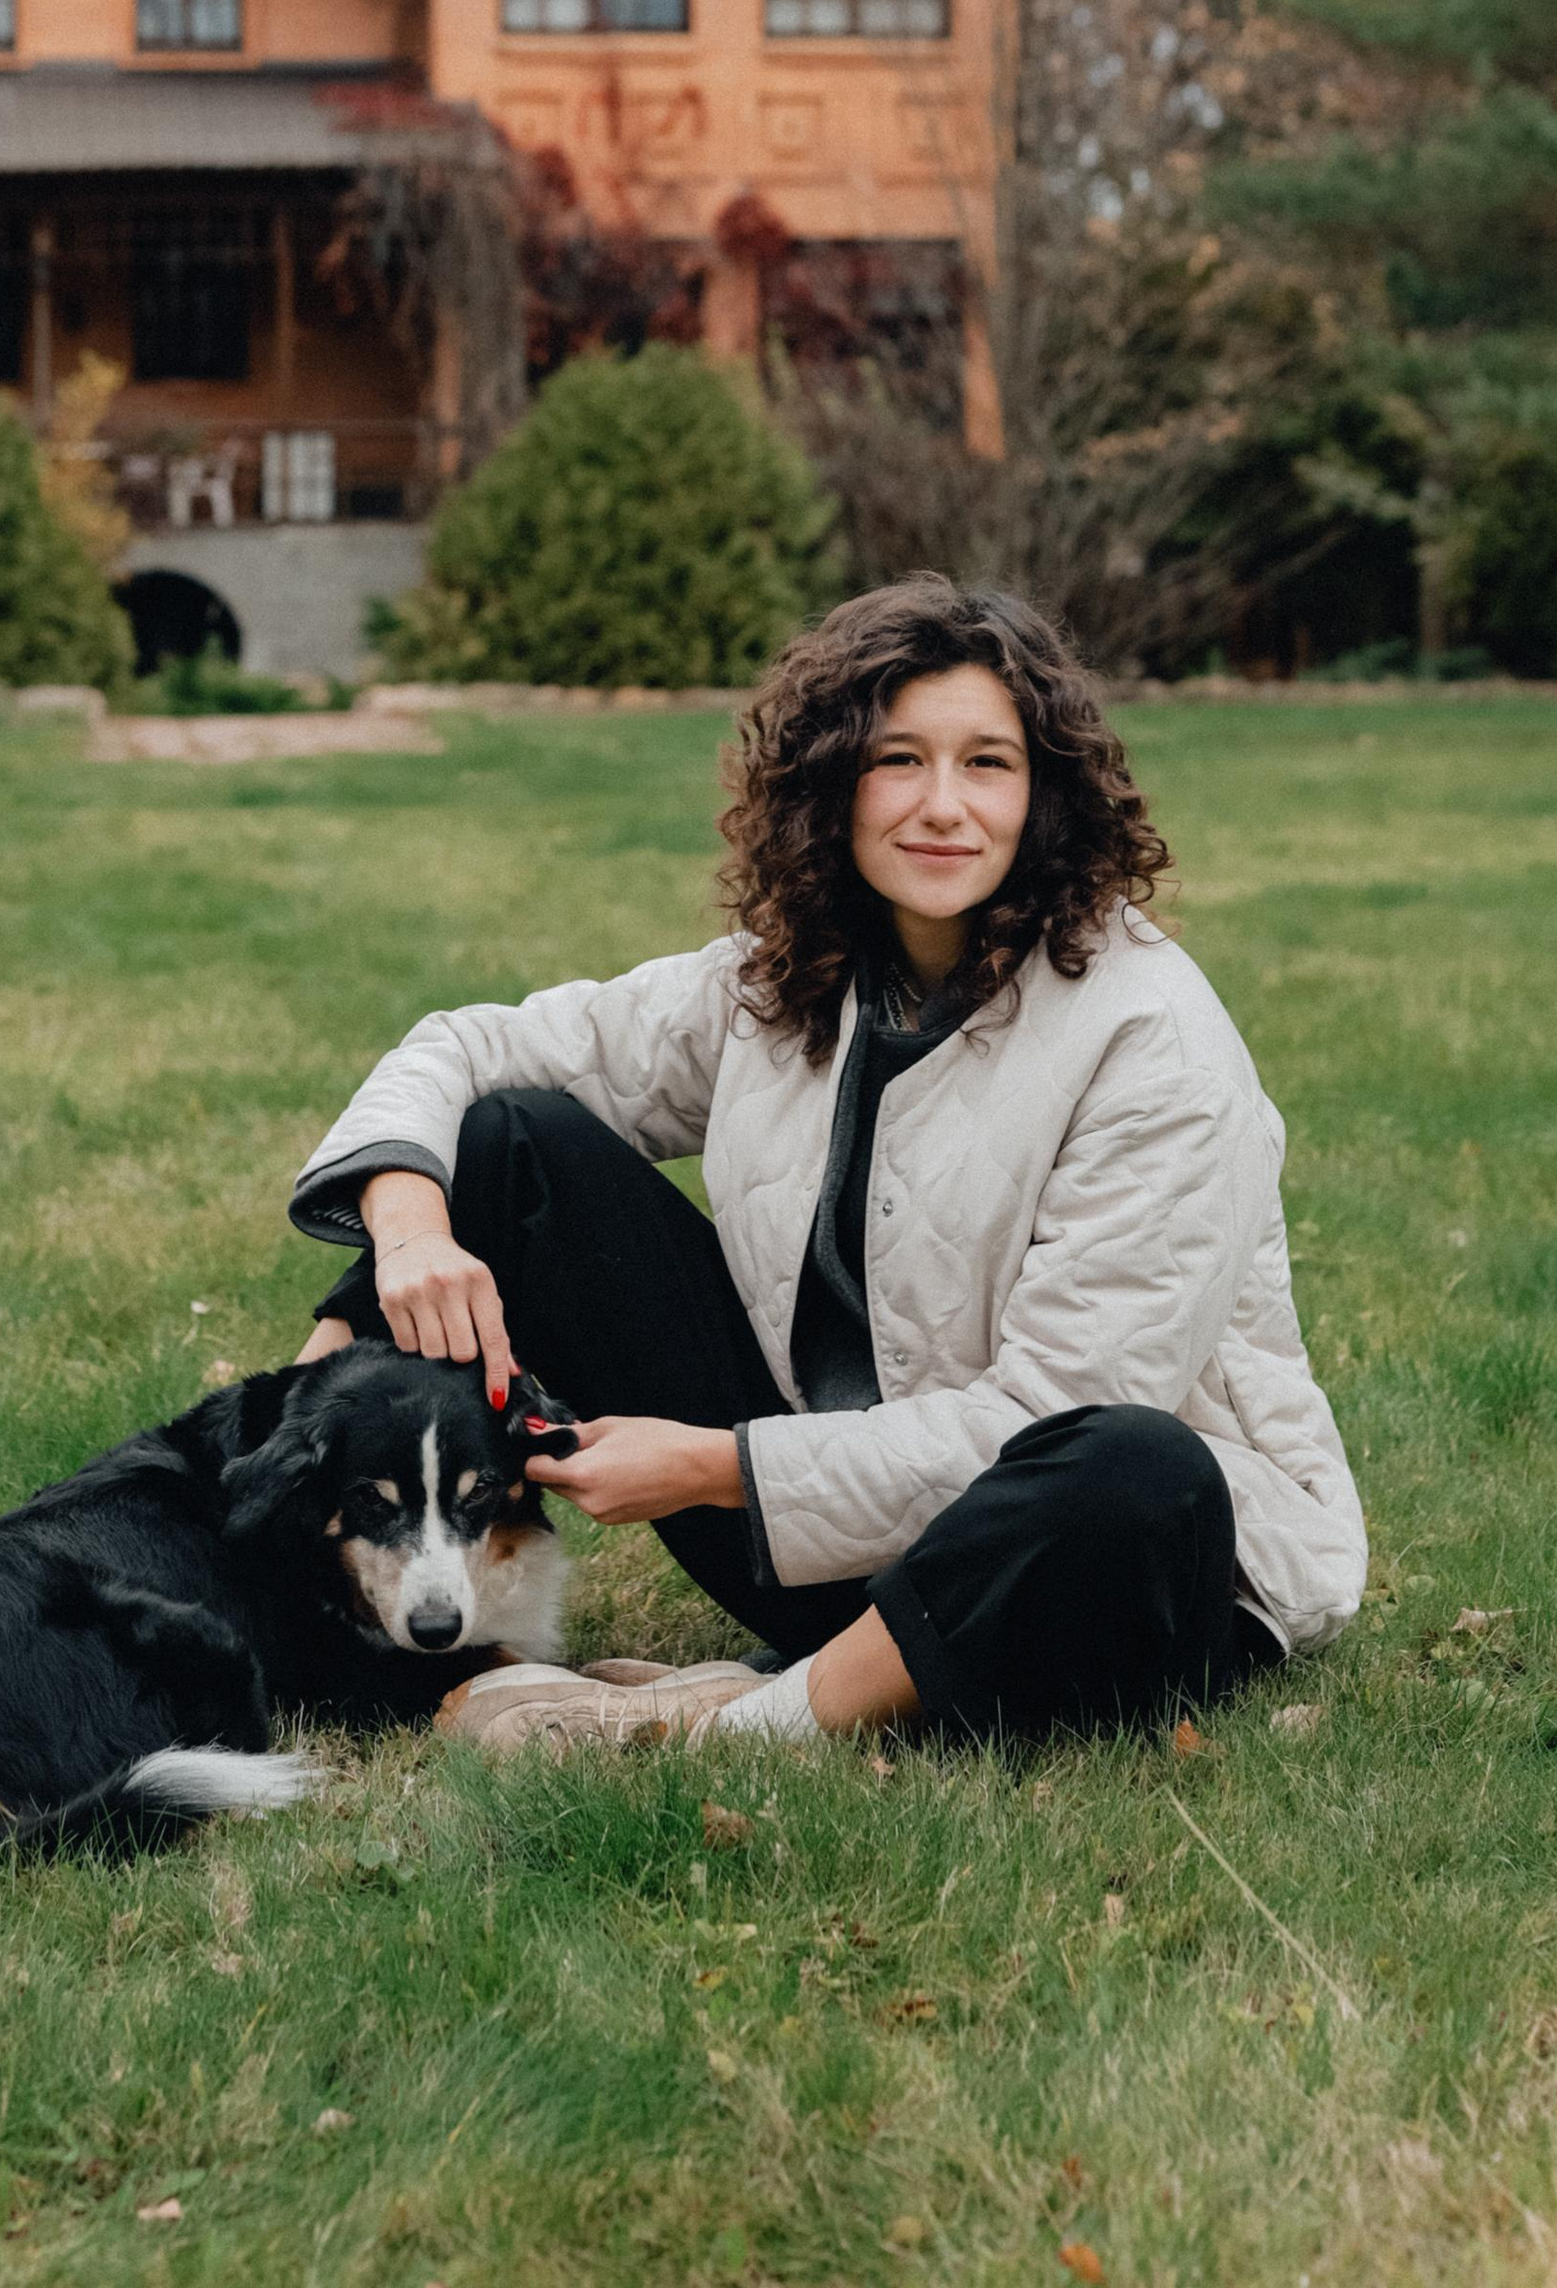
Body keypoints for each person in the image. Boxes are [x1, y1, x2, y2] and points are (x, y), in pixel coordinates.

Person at [290, 575, 1364, 1751]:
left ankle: (741, 1724)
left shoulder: (1151, 1039)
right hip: (832, 1540)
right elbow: (467, 1049)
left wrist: (714, 1467)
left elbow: (1047, 1420)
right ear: (831, 784)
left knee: (1131, 1458)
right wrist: (409, 1235)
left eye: (988, 764)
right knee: (508, 1143)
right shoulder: (789, 976)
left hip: (1096, 1577)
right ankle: (266, 1519)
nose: (942, 806)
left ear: (1045, 794)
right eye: (898, 760)